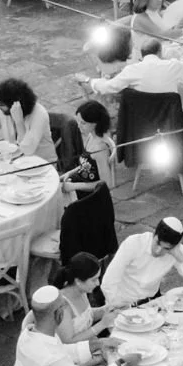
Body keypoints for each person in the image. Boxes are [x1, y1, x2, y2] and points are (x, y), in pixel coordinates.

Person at [56, 101, 119, 266]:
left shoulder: (100, 147)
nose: (79, 126)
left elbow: (106, 183)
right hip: (81, 184)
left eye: (83, 123)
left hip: (93, 199)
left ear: (95, 123)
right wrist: (68, 174)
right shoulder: (90, 137)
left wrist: (74, 186)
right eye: (78, 122)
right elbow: (85, 165)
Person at [103, 215, 183, 308]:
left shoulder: (176, 251)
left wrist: (182, 260)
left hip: (152, 305)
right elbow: (109, 282)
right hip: (123, 304)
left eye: (166, 249)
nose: (158, 251)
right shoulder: (133, 243)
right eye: (157, 243)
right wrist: (117, 306)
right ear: (154, 233)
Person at [0, 78, 54, 161]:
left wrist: (19, 122)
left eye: (1, 104)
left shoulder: (40, 114)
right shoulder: (2, 110)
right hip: (14, 160)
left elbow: (28, 149)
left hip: (39, 163)